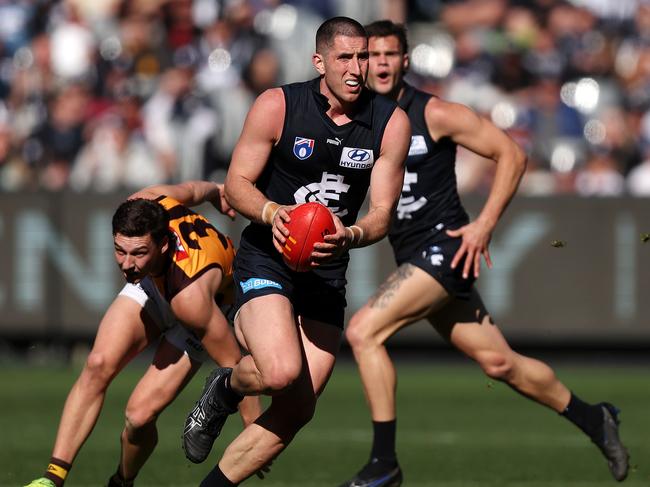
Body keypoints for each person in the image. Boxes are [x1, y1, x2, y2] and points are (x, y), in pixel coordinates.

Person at [338, 20, 629, 487]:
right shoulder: (360, 119)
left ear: (406, 60)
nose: (383, 63)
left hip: (445, 248)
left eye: (392, 54)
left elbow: (511, 155)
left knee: (362, 331)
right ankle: (594, 419)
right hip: (413, 254)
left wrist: (485, 225)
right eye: (373, 55)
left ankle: (383, 463)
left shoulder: (434, 113)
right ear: (359, 63)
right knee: (500, 364)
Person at [181, 16, 411, 486]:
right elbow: (237, 183)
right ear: (319, 61)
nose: (356, 69)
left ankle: (215, 463)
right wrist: (272, 213)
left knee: (298, 406)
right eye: (344, 58)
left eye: (362, 57)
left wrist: (352, 234)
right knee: (282, 372)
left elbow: (383, 213)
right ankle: (225, 389)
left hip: (326, 270)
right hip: (268, 256)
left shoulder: (390, 123)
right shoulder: (278, 105)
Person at [25, 181, 261, 487]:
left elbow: (232, 360)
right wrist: (217, 192)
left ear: (163, 244)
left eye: (138, 253)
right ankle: (52, 479)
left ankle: (122, 481)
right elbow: (191, 190)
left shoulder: (190, 300)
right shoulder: (146, 200)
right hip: (157, 284)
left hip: (203, 305)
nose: (126, 264)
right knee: (97, 364)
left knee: (138, 418)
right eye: (119, 251)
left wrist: (252, 426)